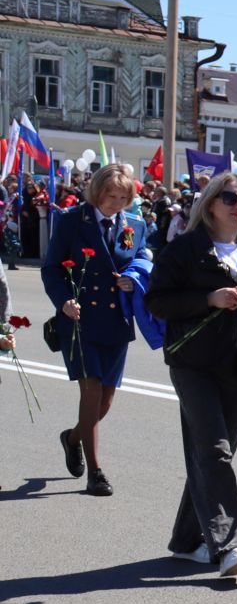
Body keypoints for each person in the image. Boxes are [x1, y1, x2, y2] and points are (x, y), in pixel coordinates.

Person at [145, 172, 237, 579]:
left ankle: (187, 540)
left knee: (215, 453)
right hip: (192, 363)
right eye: (230, 197)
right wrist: (209, 299)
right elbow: (157, 301)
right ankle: (234, 543)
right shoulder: (185, 249)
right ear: (210, 203)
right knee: (214, 449)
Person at [40, 163, 152, 496]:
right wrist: (63, 302)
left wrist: (133, 277)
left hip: (116, 321)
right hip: (79, 320)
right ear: (96, 191)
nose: (115, 203)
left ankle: (72, 438)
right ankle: (96, 472)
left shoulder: (135, 223)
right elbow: (51, 269)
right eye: (110, 195)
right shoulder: (72, 220)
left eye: (123, 197)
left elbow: (144, 256)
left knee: (105, 402)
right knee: (90, 394)